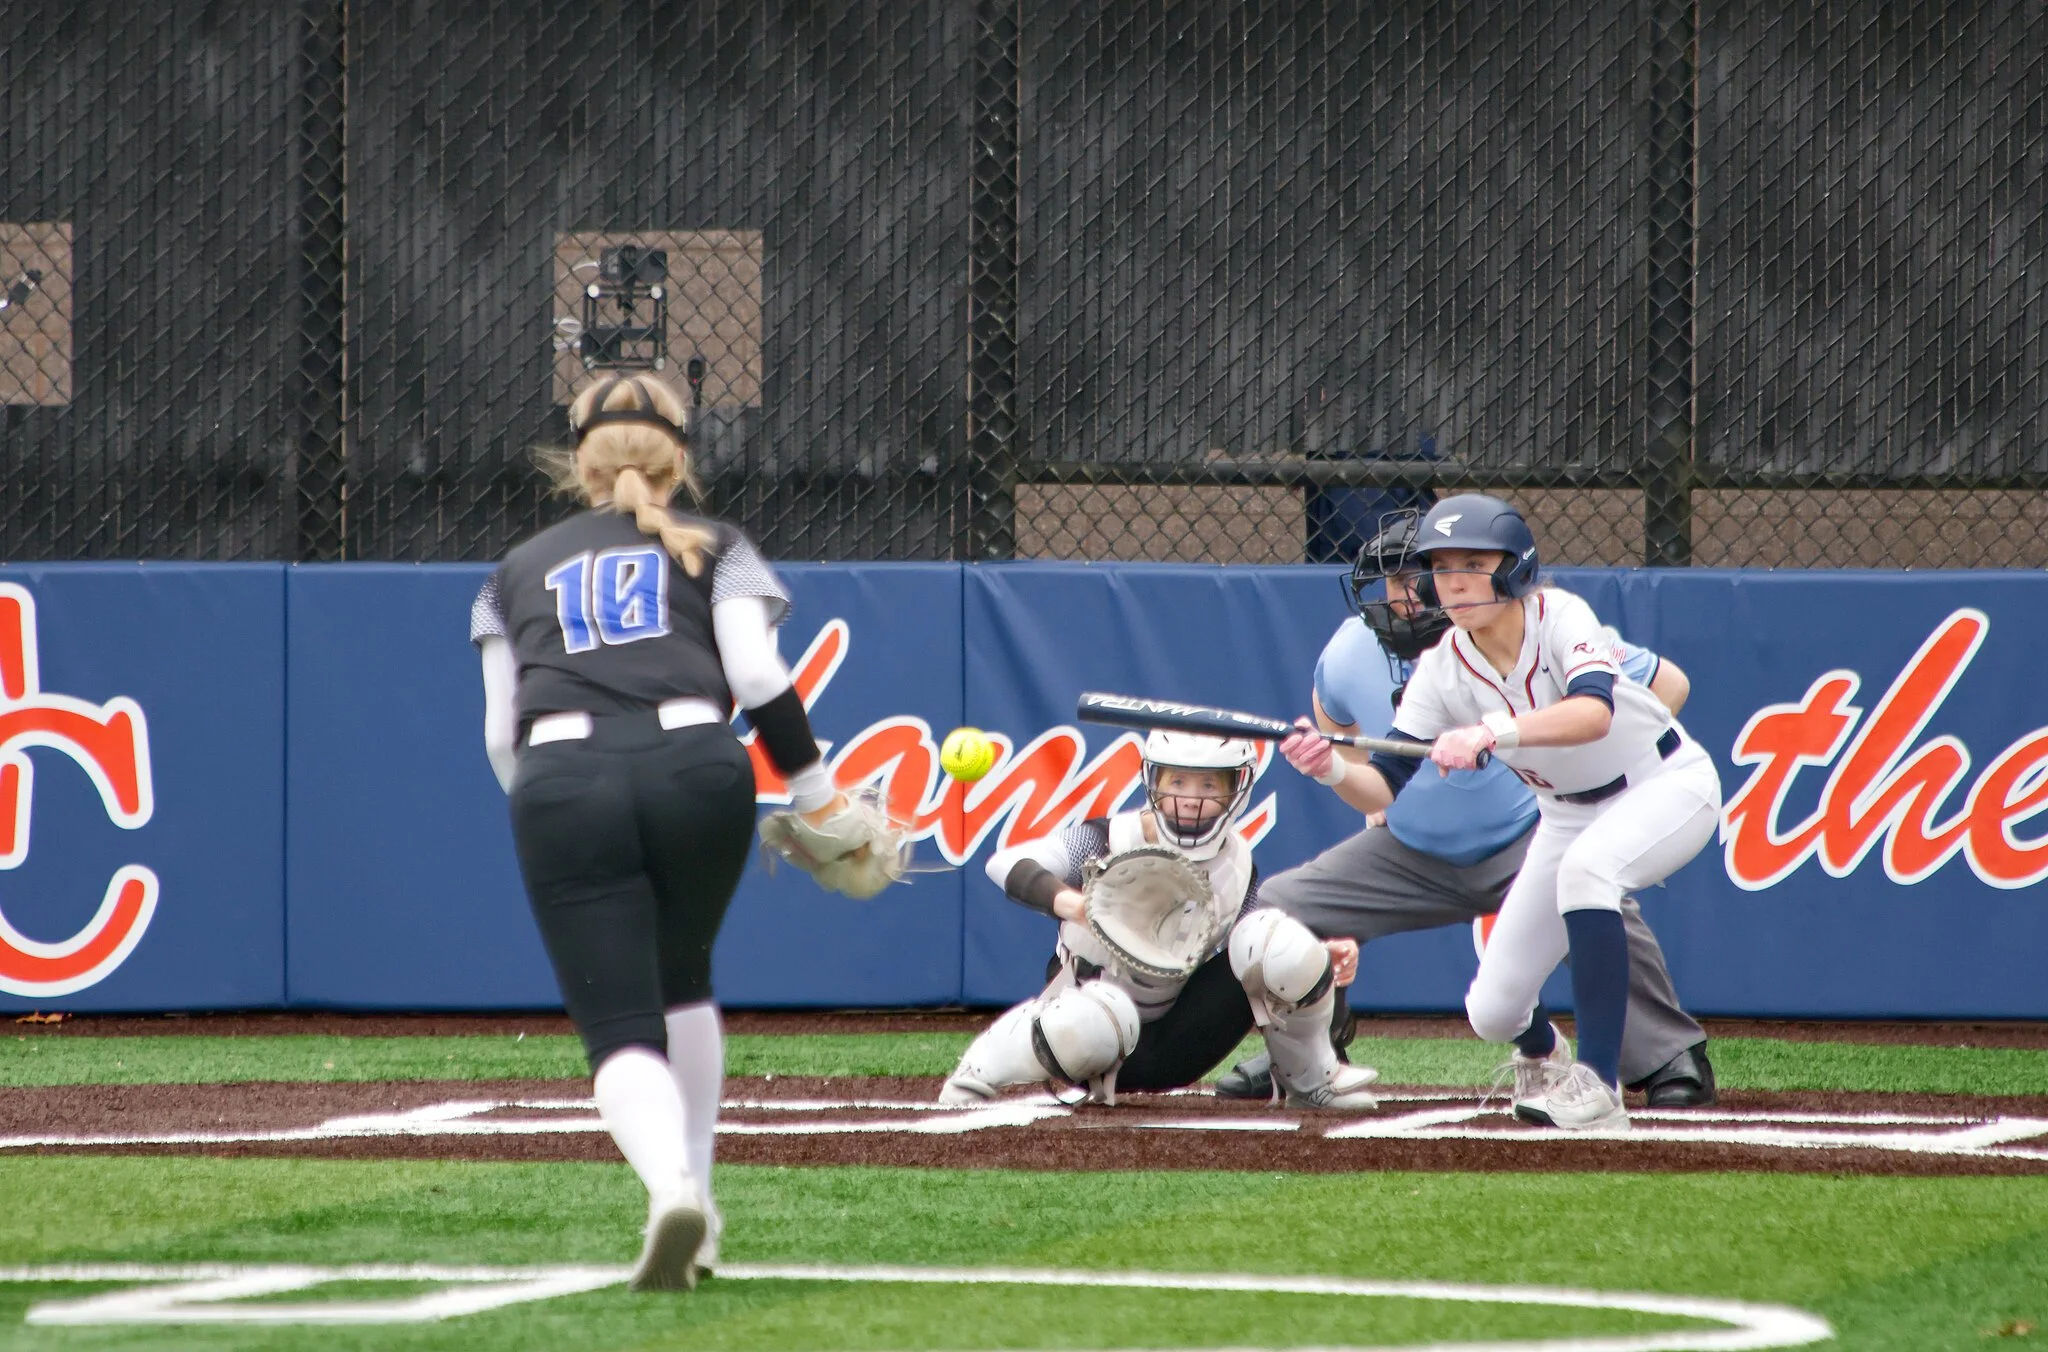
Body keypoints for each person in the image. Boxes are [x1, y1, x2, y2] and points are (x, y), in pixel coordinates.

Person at [469, 374, 884, 1290]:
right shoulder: (721, 545)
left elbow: (501, 734)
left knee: (618, 1024)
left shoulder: (511, 571)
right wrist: (817, 797)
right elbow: (758, 676)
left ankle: (673, 1192)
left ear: (578, 460)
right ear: (680, 456)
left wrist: (546, 805)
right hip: (700, 764)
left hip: (561, 775)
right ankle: (699, 1216)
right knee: (684, 979)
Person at [1219, 515, 1717, 1111]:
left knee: (1593, 879)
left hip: (1525, 832)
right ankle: (1305, 1058)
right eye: (1417, 575)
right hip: (1410, 853)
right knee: (1277, 909)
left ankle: (1662, 1057)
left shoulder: (1553, 621)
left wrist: (1553, 754)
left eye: (1433, 575)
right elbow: (1362, 762)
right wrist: (1329, 767)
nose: (1411, 594)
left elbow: (1668, 687)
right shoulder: (1372, 653)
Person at [939, 732, 1379, 1110]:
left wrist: (1316, 958)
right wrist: (1072, 904)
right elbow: (1006, 862)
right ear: (1154, 780)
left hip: (1178, 1040)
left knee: (1280, 940)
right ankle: (974, 1077)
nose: (1190, 796)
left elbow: (1261, 954)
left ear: (1238, 787)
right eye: (1178, 780)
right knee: (1094, 1020)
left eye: (1209, 782)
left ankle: (1311, 1082)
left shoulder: (1239, 864)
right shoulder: (1105, 837)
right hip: (1083, 1031)